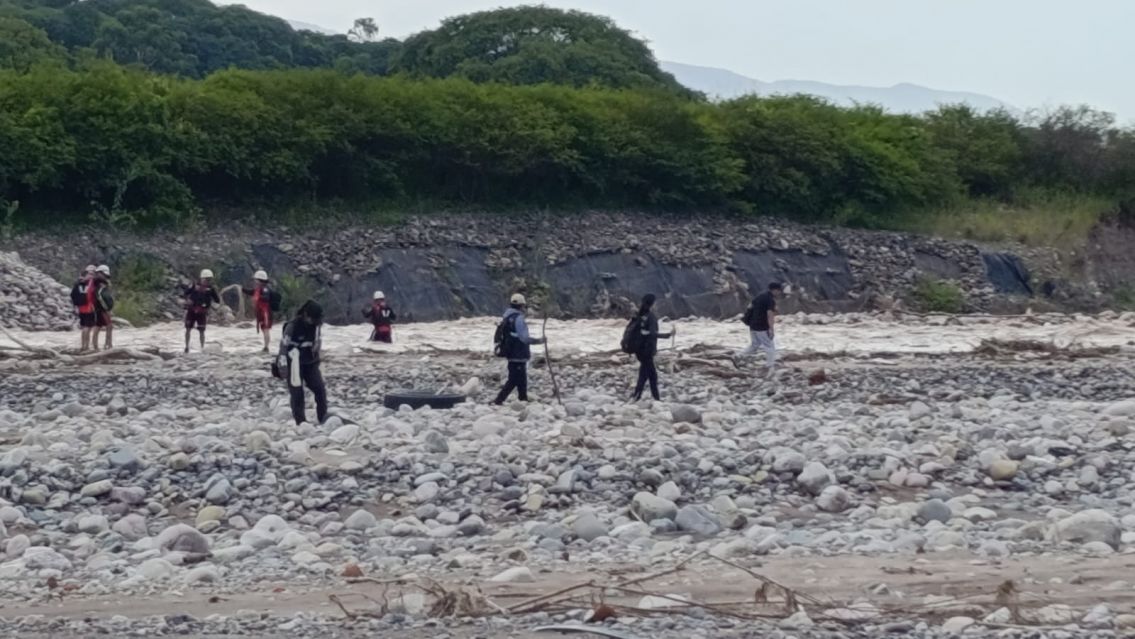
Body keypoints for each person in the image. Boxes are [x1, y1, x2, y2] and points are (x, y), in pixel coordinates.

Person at [276, 300, 328, 425]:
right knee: (297, 393)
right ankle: (301, 422)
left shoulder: (316, 326)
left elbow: (317, 345)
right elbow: (283, 347)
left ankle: (323, 418)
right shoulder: (292, 326)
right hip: (293, 364)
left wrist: (318, 351)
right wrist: (282, 366)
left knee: (320, 389)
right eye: (313, 318)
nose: (315, 322)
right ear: (306, 315)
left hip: (310, 363)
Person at [492, 293, 545, 405]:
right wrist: (539, 341)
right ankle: (498, 400)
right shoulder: (519, 318)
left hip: (510, 353)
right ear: (522, 306)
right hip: (519, 353)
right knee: (514, 380)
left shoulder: (506, 317)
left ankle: (523, 399)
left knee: (521, 379)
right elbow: (524, 338)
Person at [630, 294, 674, 402]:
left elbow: (643, 333)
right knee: (650, 375)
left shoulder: (640, 315)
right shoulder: (651, 317)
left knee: (646, 375)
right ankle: (647, 398)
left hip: (639, 350)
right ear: (652, 304)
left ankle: (640, 396)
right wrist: (668, 335)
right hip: (647, 351)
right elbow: (653, 334)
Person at [734, 282, 784, 376]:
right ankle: (770, 366)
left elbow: (750, 307)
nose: (779, 293)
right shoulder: (769, 300)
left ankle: (738, 355)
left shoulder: (760, 296)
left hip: (753, 325)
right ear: (775, 290)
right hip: (762, 326)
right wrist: (771, 329)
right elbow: (770, 315)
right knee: (769, 346)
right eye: (779, 291)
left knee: (754, 345)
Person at [182, 269, 221, 353]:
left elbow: (217, 300)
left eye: (209, 279)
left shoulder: (211, 289)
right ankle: (186, 347)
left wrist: (212, 304)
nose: (207, 281)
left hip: (202, 312)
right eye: (206, 279)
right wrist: (187, 300)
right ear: (201, 278)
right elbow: (185, 292)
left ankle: (202, 348)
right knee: (188, 329)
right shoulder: (194, 285)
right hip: (191, 310)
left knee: (202, 331)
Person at [241, 270, 275, 353]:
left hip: (265, 312)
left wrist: (259, 297)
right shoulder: (258, 289)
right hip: (261, 312)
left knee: (266, 329)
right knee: (264, 329)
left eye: (256, 280)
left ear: (260, 280)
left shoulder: (266, 289)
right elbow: (250, 292)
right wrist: (242, 289)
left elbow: (266, 298)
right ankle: (265, 346)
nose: (255, 281)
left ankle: (266, 347)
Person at [71, 265, 97, 352]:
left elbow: (72, 295)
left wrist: (75, 305)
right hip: (89, 307)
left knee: (83, 327)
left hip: (81, 307)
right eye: (91, 273)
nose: (92, 275)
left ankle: (83, 345)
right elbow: (93, 296)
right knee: (88, 327)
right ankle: (86, 346)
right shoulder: (91, 284)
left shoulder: (77, 283)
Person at [91, 265, 114, 351]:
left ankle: (102, 345)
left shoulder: (99, 281)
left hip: (101, 307)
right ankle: (107, 345)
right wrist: (107, 309)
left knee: (100, 326)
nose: (106, 276)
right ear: (100, 272)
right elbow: (101, 297)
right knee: (107, 326)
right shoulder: (98, 282)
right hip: (102, 308)